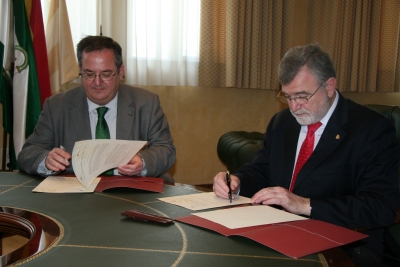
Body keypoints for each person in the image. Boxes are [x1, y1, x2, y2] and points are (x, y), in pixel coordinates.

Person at [213, 44, 400, 266]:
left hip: (344, 245)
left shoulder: (371, 130)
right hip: (281, 232)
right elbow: (262, 169)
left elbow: (380, 207)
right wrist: (237, 181)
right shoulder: (282, 122)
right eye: (288, 96)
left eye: (302, 96)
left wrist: (305, 205)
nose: (294, 106)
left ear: (329, 86)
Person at [17, 35, 176, 182]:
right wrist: (46, 160)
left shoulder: (146, 103)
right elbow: (28, 153)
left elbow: (166, 150)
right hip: (77, 196)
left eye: (106, 74)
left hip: (131, 192)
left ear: (120, 72)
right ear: (80, 72)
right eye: (89, 74)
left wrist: (143, 162)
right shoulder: (57, 106)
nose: (97, 83)